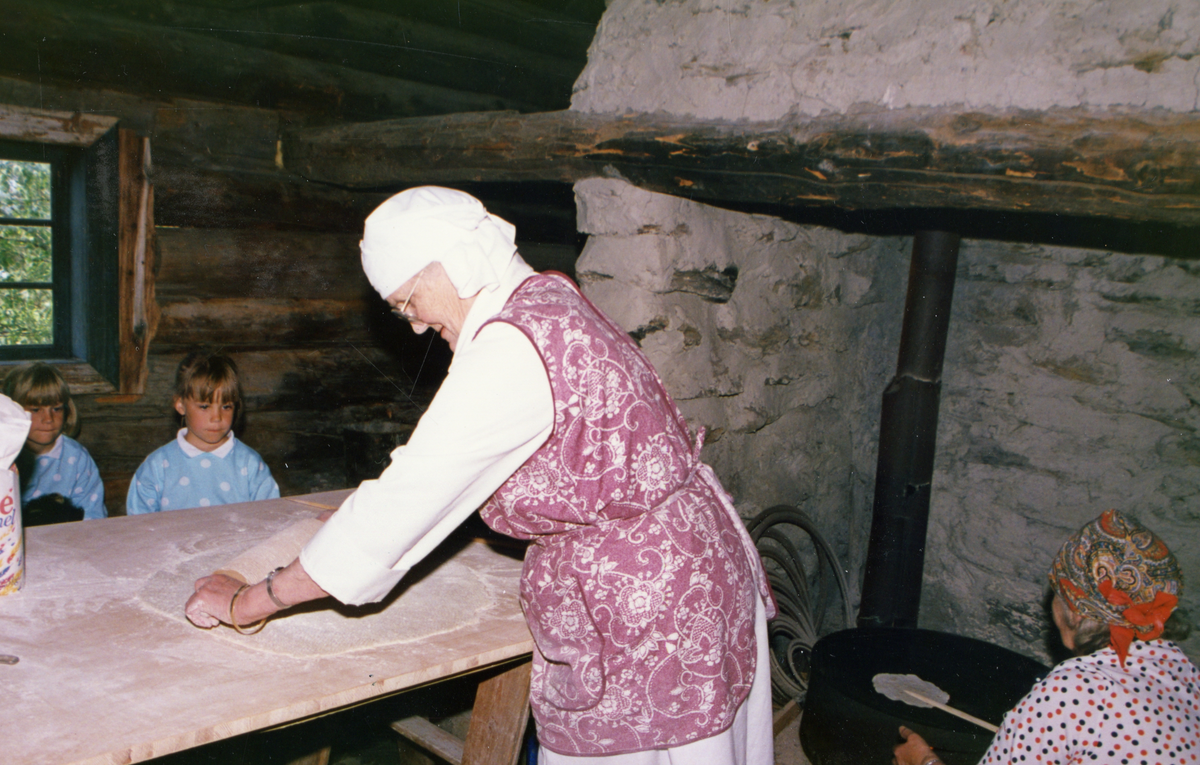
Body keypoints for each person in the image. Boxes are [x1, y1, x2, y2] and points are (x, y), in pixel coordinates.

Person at [183, 187, 778, 764]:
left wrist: (253, 598)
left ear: (447, 263)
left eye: (408, 301)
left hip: (647, 609)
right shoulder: (548, 294)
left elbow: (395, 513)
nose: (413, 325)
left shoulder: (509, 350)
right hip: (690, 563)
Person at [894, 509, 1199, 765]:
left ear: (1076, 611)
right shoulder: (1184, 671)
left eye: (1057, 589)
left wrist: (925, 762)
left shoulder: (1072, 691)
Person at [127, 350, 279, 514]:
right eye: (205, 406)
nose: (217, 417)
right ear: (180, 405)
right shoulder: (157, 466)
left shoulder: (250, 464)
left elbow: (270, 517)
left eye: (226, 406)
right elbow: (138, 524)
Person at [3, 362, 105, 525]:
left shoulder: (77, 458)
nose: (48, 419)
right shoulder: (5, 456)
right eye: (36, 410)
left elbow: (92, 514)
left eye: (56, 408)